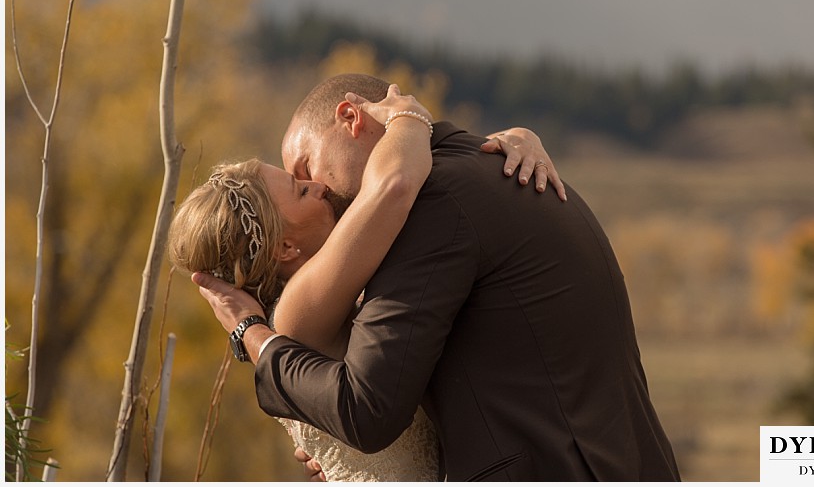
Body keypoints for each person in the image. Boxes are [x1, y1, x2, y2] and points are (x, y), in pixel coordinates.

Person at [195, 73, 681, 481]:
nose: (319, 188)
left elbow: (365, 411)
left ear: (351, 118)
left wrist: (250, 333)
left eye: (306, 168)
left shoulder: (434, 206)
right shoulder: (496, 169)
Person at [169, 84, 563, 480]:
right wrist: (408, 117)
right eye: (302, 189)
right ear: (285, 247)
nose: (320, 187)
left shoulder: (333, 295)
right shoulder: (297, 310)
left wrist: (510, 141)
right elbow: (394, 185)